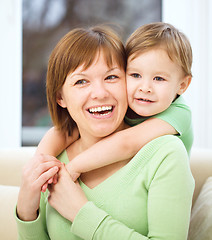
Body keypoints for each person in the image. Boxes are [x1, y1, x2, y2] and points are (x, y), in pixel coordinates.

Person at [16, 25, 194, 239]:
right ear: (60, 98)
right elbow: (60, 132)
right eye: (81, 81)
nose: (100, 93)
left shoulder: (165, 152)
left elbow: (127, 142)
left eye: (111, 77)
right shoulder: (53, 161)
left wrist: (81, 214)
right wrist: (26, 210)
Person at [37, 22, 193, 190]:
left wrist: (74, 167)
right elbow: (66, 131)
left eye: (159, 79)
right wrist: (39, 163)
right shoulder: (134, 100)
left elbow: (126, 143)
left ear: (182, 85)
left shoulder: (179, 113)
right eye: (135, 75)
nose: (145, 88)